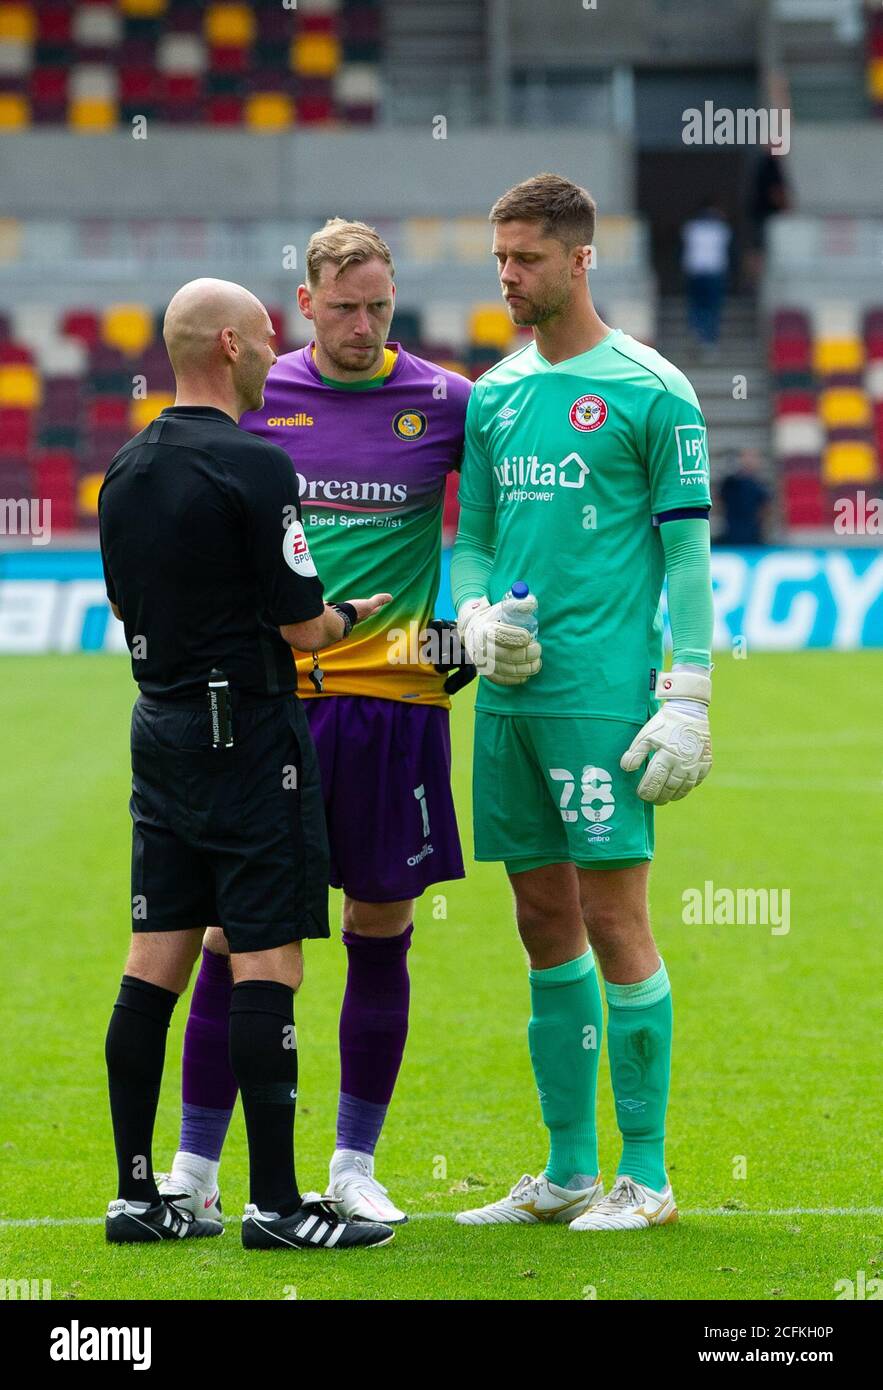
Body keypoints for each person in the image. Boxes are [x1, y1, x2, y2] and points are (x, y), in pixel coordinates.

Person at [158, 222, 476, 1227]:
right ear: (304, 304)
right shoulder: (262, 403)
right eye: (343, 308)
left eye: (379, 307)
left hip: (397, 705)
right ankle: (194, 1167)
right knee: (228, 935)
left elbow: (503, 520)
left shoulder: (445, 402)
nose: (362, 326)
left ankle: (351, 1164)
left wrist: (473, 620)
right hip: (273, 706)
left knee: (380, 926)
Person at [99, 276, 394, 1250]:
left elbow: (129, 610)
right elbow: (303, 626)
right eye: (268, 337)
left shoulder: (125, 469)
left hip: (159, 728)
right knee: (270, 959)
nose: (278, 353)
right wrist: (355, 616)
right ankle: (276, 1203)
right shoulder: (256, 466)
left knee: (155, 962)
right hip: (249, 736)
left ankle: (138, 1194)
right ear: (227, 344)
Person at [451, 173, 714, 1232]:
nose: (508, 276)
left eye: (524, 258)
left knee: (615, 917)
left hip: (603, 704)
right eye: (499, 257)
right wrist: (472, 622)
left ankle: (643, 1176)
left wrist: (686, 691)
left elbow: (686, 552)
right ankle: (566, 1171)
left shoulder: (654, 390)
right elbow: (468, 538)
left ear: (578, 258)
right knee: (537, 917)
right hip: (508, 705)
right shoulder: (493, 397)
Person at [681, 201, 731, 352]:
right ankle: (708, 338)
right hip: (713, 272)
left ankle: (697, 331)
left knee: (697, 305)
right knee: (712, 307)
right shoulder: (721, 229)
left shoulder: (691, 228)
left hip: (696, 271)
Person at [718, 447, 771, 546]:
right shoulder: (731, 482)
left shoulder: (759, 485)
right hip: (732, 532)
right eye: (747, 458)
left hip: (753, 534)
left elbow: (765, 508)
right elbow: (720, 501)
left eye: (753, 458)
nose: (750, 461)